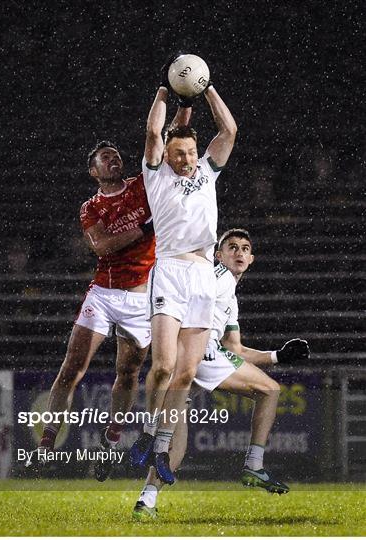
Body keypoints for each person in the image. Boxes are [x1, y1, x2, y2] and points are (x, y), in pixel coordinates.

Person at [132, 228, 310, 520]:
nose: (239, 252)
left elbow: (235, 349)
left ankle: (146, 502)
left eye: (245, 248)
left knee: (177, 446)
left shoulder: (229, 294)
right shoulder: (218, 278)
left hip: (200, 356)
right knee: (270, 391)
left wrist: (277, 355)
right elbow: (187, 315)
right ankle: (254, 466)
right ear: (218, 255)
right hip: (200, 354)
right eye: (232, 247)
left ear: (251, 259)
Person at [130, 56, 238, 485]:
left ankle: (158, 447)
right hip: (170, 271)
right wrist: (163, 89)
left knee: (188, 374)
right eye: (179, 153)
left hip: (203, 275)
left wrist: (206, 87)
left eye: (191, 151)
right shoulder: (156, 178)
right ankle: (145, 435)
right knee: (162, 367)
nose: (187, 158)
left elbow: (228, 131)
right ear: (168, 156)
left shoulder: (207, 172)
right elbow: (154, 132)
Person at [25, 140, 156, 477]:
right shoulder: (92, 207)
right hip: (103, 294)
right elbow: (102, 246)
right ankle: (46, 444)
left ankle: (110, 443)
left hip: (142, 297)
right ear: (94, 171)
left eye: (116, 156)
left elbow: (157, 148)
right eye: (105, 158)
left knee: (128, 374)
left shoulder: (141, 185)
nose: (114, 160)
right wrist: (143, 229)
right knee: (72, 368)